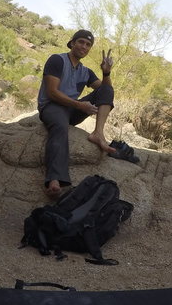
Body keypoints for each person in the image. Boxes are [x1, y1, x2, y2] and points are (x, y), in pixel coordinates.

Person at [37, 29, 115, 197]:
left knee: (108, 90)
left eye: (88, 45)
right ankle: (54, 179)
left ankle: (98, 133)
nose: (84, 47)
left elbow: (104, 90)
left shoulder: (86, 71)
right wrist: (80, 106)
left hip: (71, 110)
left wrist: (106, 72)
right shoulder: (57, 60)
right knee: (60, 127)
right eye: (81, 42)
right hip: (52, 107)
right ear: (72, 43)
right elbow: (52, 92)